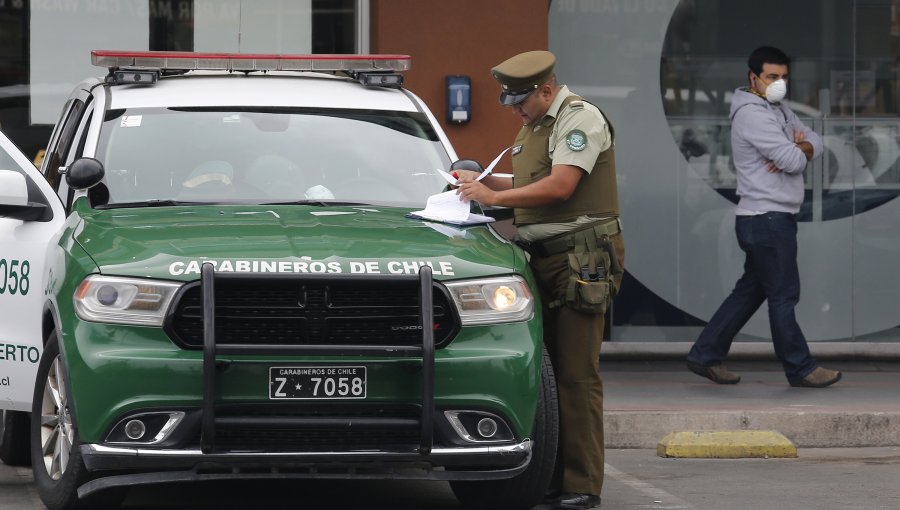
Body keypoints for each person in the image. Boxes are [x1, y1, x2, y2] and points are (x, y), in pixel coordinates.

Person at [456, 50, 623, 510]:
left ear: (546, 89)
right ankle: (553, 477)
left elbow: (560, 186)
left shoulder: (578, 118)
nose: (514, 108)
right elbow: (530, 184)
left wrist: (491, 194)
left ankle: (582, 485)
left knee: (575, 375)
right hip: (544, 256)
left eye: (520, 99)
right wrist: (476, 186)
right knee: (546, 374)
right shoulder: (536, 126)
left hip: (579, 256)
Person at [686, 46, 842, 388]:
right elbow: (793, 161)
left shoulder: (780, 109)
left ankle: (705, 353)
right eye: (773, 77)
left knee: (750, 292)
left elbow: (814, 139)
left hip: (769, 217)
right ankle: (801, 367)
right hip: (767, 218)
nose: (780, 83)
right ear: (753, 78)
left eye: (784, 77)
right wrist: (796, 150)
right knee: (784, 296)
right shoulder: (752, 114)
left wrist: (799, 146)